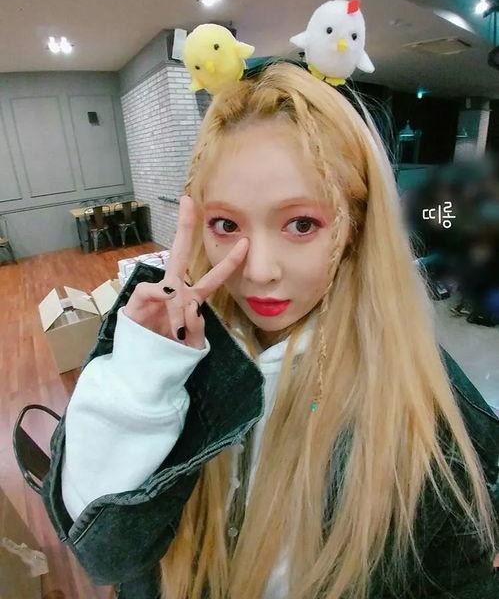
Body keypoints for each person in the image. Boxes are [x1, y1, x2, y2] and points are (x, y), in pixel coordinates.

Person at [41, 62, 499, 599]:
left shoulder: (434, 417)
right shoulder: (176, 352)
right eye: (226, 224)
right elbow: (103, 553)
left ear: (356, 227)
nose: (258, 271)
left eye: (301, 224)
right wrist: (141, 372)